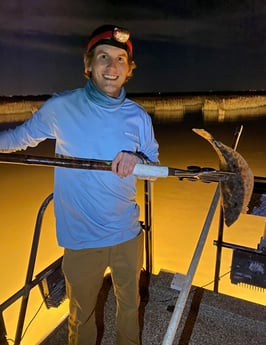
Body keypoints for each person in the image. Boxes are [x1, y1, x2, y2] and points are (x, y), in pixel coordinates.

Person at [0, 24, 159, 345]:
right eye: (103, 57)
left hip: (128, 234)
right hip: (82, 240)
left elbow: (154, 169)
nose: (112, 67)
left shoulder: (139, 117)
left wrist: (137, 157)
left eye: (119, 60)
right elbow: (18, 139)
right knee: (81, 315)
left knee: (130, 306)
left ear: (129, 70)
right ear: (88, 65)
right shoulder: (62, 107)